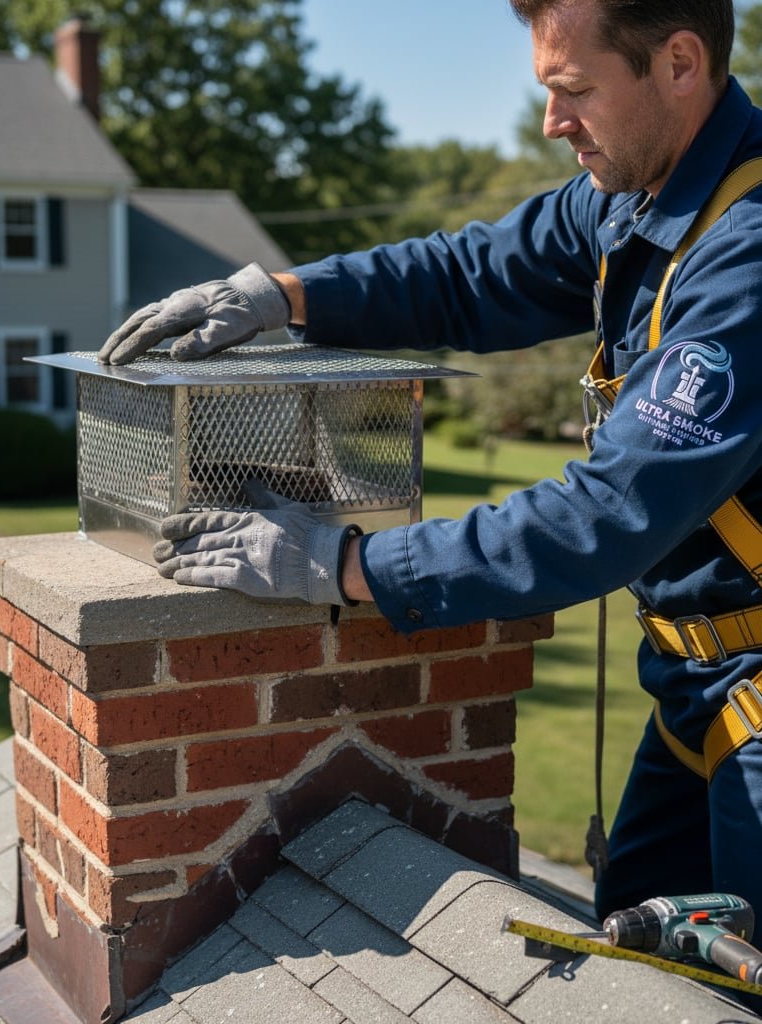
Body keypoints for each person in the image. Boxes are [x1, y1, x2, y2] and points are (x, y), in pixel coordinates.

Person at [99, 0, 762, 954]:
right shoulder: (637, 199)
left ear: (681, 63)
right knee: (640, 959)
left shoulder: (745, 254)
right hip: (700, 689)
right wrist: (284, 297)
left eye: (574, 90)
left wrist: (345, 565)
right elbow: (472, 274)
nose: (552, 122)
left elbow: (609, 513)